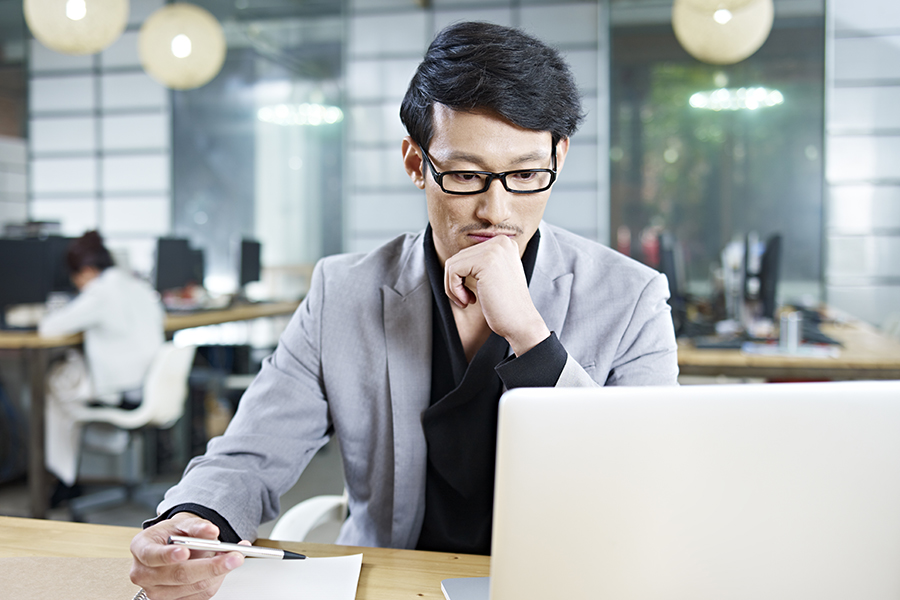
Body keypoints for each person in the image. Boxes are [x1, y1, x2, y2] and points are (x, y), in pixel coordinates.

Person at [130, 21, 679, 598]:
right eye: (466, 174)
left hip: (561, 586)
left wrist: (531, 339)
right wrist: (194, 522)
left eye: (524, 174)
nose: (497, 210)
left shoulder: (631, 298)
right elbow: (250, 455)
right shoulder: (343, 291)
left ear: (558, 158)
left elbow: (647, 491)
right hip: (393, 586)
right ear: (417, 163)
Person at [39, 230, 164, 493]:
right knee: (69, 377)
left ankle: (62, 479)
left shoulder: (100, 292)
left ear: (85, 271)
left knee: (55, 383)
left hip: (124, 392)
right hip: (150, 384)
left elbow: (49, 328)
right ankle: (68, 474)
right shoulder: (138, 285)